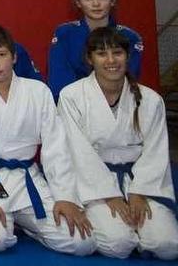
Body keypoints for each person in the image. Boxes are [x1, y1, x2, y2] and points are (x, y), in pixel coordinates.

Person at [0, 25, 95, 256]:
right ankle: (2, 221)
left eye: (1, 55)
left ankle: (27, 224)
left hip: (27, 180)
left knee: (81, 241)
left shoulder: (38, 92)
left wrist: (65, 197)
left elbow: (56, 147)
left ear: (14, 56)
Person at [58, 27, 177, 260]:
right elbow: (78, 152)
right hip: (96, 184)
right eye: (102, 54)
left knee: (169, 245)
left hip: (140, 180)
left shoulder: (150, 99)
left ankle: (147, 234)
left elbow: (156, 151)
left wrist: (138, 193)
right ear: (89, 59)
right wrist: (110, 195)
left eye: (117, 53)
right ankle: (130, 232)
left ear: (128, 56)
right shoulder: (71, 96)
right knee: (117, 244)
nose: (111, 60)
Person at [48, 0, 143, 98]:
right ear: (78, 2)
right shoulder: (64, 34)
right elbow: (59, 80)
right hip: (73, 105)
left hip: (116, 104)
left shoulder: (130, 37)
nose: (96, 4)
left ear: (113, 0)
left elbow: (128, 79)